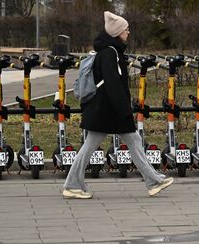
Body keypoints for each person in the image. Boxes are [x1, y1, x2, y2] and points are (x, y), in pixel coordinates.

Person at [62, 11, 173, 199]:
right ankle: (72, 184)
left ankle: (153, 180)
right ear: (117, 33)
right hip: (108, 110)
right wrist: (124, 110)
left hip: (105, 109)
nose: (128, 32)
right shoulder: (110, 53)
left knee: (132, 142)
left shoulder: (108, 51)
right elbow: (113, 84)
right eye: (126, 30)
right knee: (92, 146)